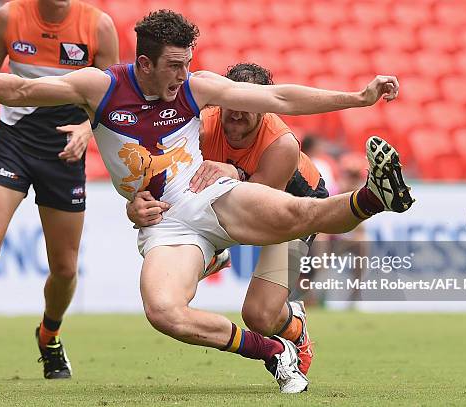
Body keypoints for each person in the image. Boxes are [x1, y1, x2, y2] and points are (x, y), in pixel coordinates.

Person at [0, 10, 413, 393]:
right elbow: (21, 91)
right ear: (145, 63)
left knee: (296, 215)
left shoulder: (196, 87)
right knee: (164, 313)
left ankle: (374, 195)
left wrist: (357, 97)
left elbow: (278, 96)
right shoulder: (100, 87)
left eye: (187, 63)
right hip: (166, 228)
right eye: (174, 64)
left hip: (207, 197)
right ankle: (273, 350)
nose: (183, 73)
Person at [0, 0, 119, 382]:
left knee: (64, 270)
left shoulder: (98, 26)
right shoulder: (10, 16)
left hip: (64, 151)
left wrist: (86, 129)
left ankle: (49, 335)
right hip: (13, 142)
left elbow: (113, 94)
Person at [126, 62, 331, 376]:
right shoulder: (201, 126)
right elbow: (165, 180)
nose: (236, 114)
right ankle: (212, 254)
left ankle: (295, 327)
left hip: (294, 207)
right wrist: (134, 205)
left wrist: (237, 173)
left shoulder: (281, 145)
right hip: (228, 203)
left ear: (264, 109)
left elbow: (263, 214)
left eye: (247, 108)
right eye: (230, 105)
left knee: (260, 317)